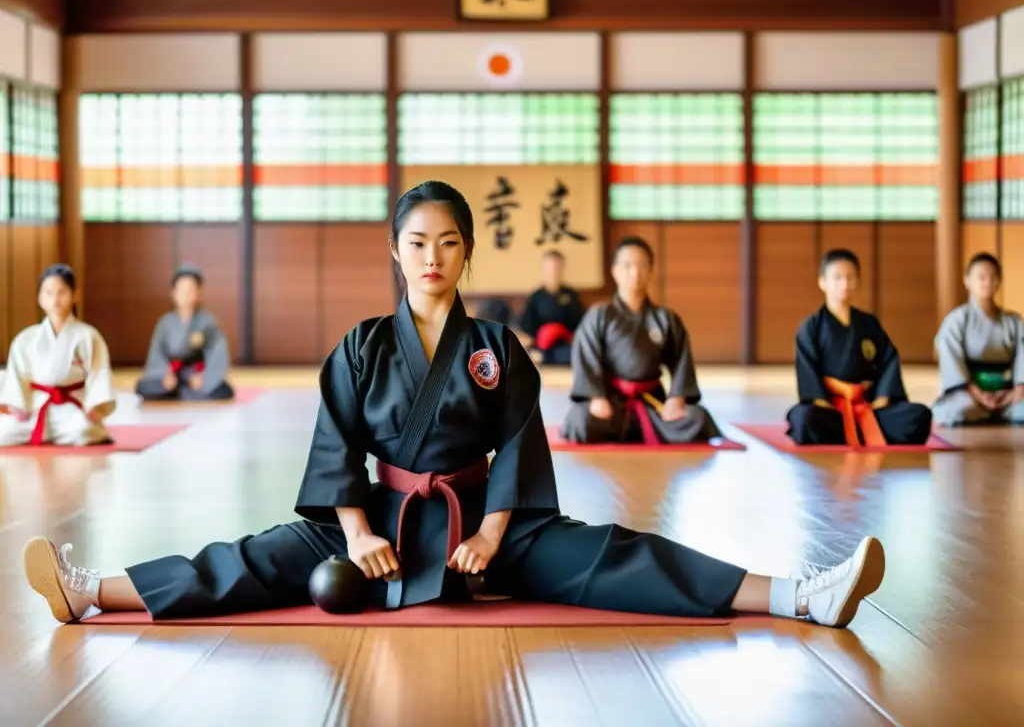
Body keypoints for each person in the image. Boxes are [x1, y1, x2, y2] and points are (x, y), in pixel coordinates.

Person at [23, 181, 885, 630]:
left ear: (466, 253)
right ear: (396, 255)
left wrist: (489, 535)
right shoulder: (360, 345)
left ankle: (797, 597)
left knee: (617, 555)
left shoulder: (497, 346)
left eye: (447, 243)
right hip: (377, 525)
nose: (431, 256)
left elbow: (518, 450)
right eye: (416, 243)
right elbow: (336, 454)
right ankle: (89, 590)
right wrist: (357, 535)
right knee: (251, 560)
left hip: (483, 528)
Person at [561, 237, 721, 445]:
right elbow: (586, 357)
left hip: (652, 402)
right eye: (627, 265)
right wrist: (596, 397)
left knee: (698, 419)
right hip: (611, 403)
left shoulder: (665, 318)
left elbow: (682, 361)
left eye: (642, 265)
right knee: (579, 420)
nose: (635, 272)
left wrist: (677, 398)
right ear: (615, 271)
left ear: (651, 271)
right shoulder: (599, 315)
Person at [786, 249, 932, 446]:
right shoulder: (812, 326)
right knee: (804, 419)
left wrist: (882, 397)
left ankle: (852, 431)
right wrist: (820, 401)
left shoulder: (869, 324)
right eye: (837, 278)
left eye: (850, 278)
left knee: (919, 415)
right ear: (822, 282)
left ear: (858, 281)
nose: (844, 284)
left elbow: (889, 360)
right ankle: (853, 431)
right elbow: (807, 368)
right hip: (831, 409)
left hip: (869, 406)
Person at [0, 264, 116, 447]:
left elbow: (99, 373)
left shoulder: (87, 335)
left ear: (75, 295)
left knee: (83, 432)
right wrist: (18, 405)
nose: (55, 299)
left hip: (71, 407)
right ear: (39, 298)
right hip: (35, 406)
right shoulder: (26, 338)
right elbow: (16, 375)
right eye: (48, 293)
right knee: (4, 434)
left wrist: (95, 406)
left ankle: (72, 429)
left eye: (62, 292)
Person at [932, 252, 1024, 426]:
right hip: (969, 394)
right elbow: (952, 364)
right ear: (967, 281)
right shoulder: (957, 320)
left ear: (999, 281)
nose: (987, 283)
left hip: (1008, 394)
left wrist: (1017, 390)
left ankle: (1002, 411)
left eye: (993, 277)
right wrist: (978, 395)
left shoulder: (1014, 321)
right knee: (957, 411)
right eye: (981, 277)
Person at [135, 264, 235, 402]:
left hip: (196, 373)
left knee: (224, 390)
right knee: (142, 387)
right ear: (173, 293)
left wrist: (204, 377)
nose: (186, 294)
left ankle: (181, 392)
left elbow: (217, 352)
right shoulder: (165, 323)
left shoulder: (207, 322)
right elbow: (156, 354)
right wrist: (165, 375)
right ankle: (182, 392)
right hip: (172, 374)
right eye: (182, 290)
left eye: (191, 290)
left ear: (199, 293)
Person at [519, 250, 585, 366]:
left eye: (557, 267)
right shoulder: (536, 297)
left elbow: (581, 324)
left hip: (566, 345)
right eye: (550, 268)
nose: (553, 271)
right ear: (544, 269)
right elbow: (527, 329)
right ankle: (543, 357)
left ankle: (545, 358)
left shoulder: (571, 295)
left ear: (562, 268)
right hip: (541, 346)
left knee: (577, 353)